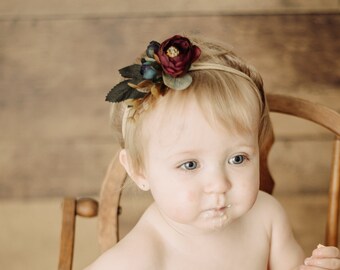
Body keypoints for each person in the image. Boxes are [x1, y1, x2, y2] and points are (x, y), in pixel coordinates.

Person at [86, 35, 340, 270]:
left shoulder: (266, 216)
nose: (219, 184)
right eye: (190, 165)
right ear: (139, 170)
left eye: (237, 158)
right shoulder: (137, 259)